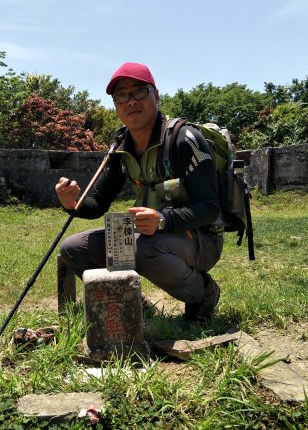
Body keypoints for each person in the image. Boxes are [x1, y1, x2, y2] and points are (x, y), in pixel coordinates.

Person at [55, 62, 223, 322]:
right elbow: (97, 203)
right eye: (121, 96)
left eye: (138, 92)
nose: (130, 101)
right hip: (147, 235)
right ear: (115, 106)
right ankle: (129, 301)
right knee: (73, 248)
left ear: (155, 95)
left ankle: (202, 293)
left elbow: (210, 207)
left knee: (137, 247)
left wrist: (163, 219)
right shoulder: (121, 147)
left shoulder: (185, 139)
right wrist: (72, 202)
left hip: (201, 241)